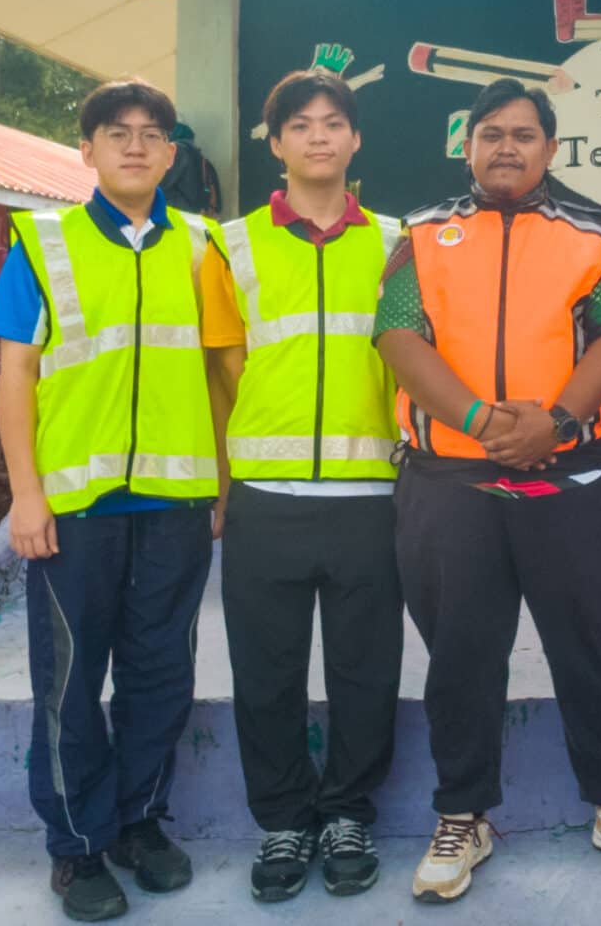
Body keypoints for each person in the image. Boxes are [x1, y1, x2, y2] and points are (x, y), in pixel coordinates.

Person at [373, 77, 601, 905]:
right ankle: (463, 813)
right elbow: (397, 333)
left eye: (523, 134)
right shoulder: (422, 233)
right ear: (466, 145)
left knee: (591, 648)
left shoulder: (589, 234)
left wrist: (558, 421)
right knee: (462, 657)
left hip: (567, 473)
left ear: (550, 149)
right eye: (490, 133)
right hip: (451, 479)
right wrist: (480, 418)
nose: (506, 146)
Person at [0, 79, 220, 923]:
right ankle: (77, 845)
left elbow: (223, 371)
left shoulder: (201, 246)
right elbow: (17, 374)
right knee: (72, 682)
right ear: (86, 148)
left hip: (176, 501)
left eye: (153, 134)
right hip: (74, 510)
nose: (135, 146)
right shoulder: (42, 242)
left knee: (162, 672)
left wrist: (220, 482)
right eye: (116, 133)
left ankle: (139, 821)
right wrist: (25, 495)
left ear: (171, 153)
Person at [200, 70, 402, 902]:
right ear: (274, 140)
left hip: (371, 499)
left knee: (365, 669)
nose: (319, 137)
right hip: (266, 501)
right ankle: (284, 818)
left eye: (335, 123)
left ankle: (349, 809)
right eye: (301, 125)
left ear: (355, 140)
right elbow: (224, 368)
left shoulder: (397, 240)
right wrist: (223, 482)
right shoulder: (231, 244)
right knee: (268, 671)